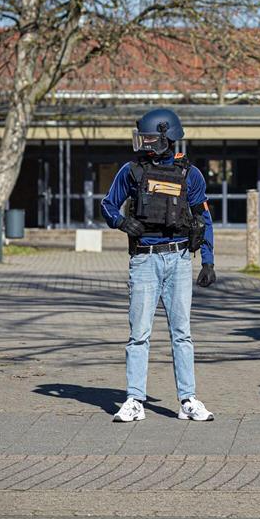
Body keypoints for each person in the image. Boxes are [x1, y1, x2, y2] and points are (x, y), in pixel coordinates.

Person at [100, 108, 216, 423]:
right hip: (144, 261)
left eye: (150, 137)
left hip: (179, 259)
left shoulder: (190, 173)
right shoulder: (131, 170)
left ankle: (188, 400)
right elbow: (107, 204)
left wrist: (208, 260)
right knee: (139, 334)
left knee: (182, 333)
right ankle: (134, 400)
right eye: (143, 137)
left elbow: (203, 218)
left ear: (168, 136)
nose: (145, 143)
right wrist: (123, 223)